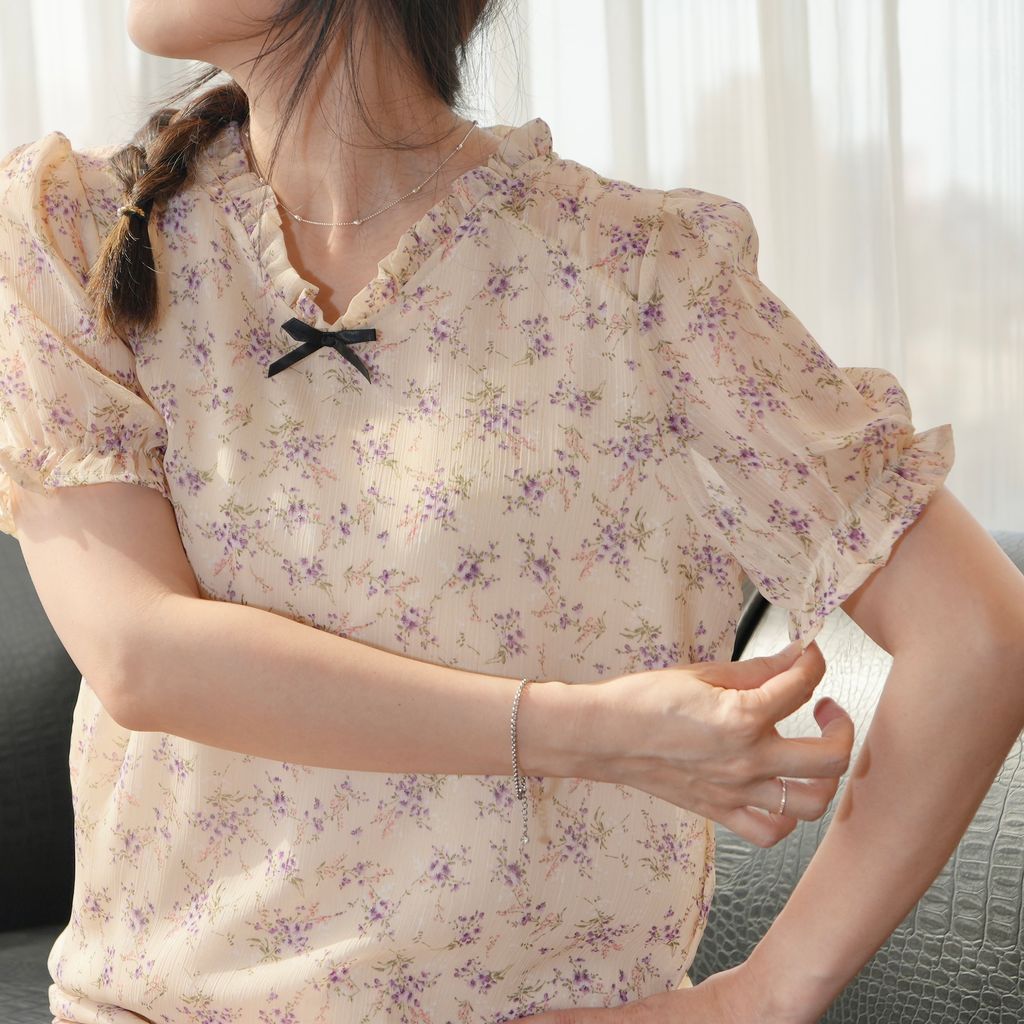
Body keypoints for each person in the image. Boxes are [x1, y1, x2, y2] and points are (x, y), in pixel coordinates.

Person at [1, 2, 1022, 1022]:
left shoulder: (644, 273)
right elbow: (141, 655)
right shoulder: (74, 233)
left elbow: (977, 635)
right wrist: (589, 732)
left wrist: (762, 995)